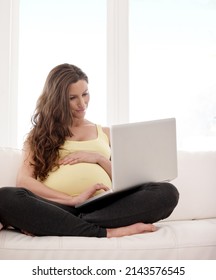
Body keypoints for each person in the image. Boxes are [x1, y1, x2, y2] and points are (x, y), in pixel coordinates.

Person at [0, 63, 179, 238]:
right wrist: (71, 200)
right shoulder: (38, 135)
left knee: (167, 193)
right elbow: (24, 180)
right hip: (56, 206)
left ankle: (60, 224)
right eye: (72, 98)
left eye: (85, 94)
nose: (82, 103)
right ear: (57, 100)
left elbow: (126, 180)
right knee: (5, 197)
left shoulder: (107, 133)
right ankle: (107, 231)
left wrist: (99, 158)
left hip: (105, 206)